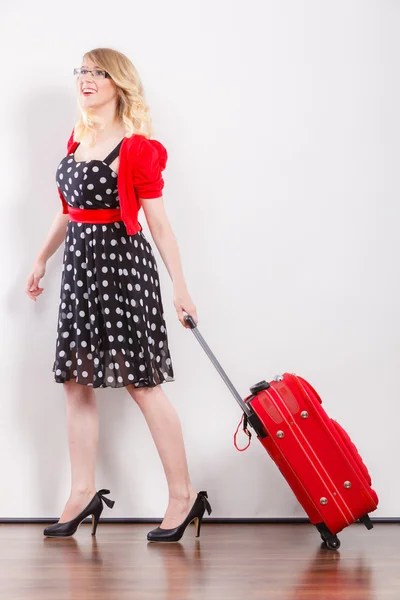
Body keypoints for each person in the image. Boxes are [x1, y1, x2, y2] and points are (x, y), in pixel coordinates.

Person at [25, 47, 212, 542]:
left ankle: (183, 495)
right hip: (81, 274)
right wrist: (42, 257)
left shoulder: (136, 148)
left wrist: (181, 288)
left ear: (119, 83)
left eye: (98, 72)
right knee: (75, 383)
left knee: (142, 384)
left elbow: (161, 227)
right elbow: (68, 211)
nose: (86, 79)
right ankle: (80, 492)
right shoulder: (78, 137)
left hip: (124, 272)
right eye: (82, 71)